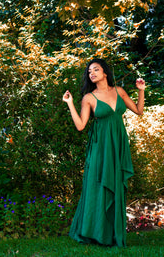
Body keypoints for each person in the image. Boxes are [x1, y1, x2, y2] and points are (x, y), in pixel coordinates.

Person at [62, 58, 145, 247]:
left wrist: (141, 91)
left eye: (96, 69)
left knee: (116, 187)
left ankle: (113, 235)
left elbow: (139, 111)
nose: (92, 73)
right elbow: (81, 126)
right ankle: (95, 233)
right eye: (89, 71)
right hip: (100, 149)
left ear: (105, 72)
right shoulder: (89, 98)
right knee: (97, 188)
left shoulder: (119, 91)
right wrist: (70, 103)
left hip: (118, 146)